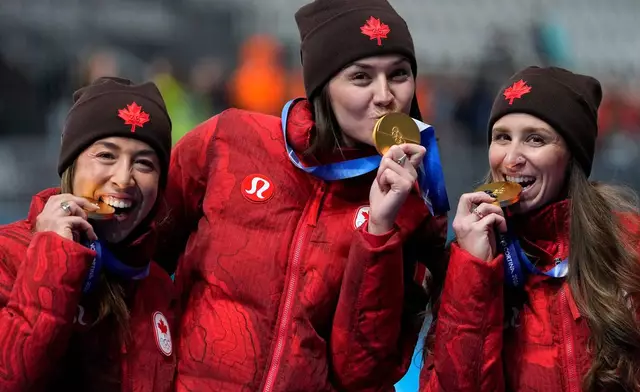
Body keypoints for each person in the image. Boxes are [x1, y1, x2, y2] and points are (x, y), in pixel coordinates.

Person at [155, 0, 449, 390]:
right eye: (361, 77)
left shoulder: (412, 204)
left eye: (399, 75)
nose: (385, 96)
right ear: (322, 86)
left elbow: (364, 373)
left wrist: (379, 231)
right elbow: (141, 254)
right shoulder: (229, 140)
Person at [420, 66, 640, 391]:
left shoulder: (631, 244)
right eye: (502, 137)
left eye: (535, 139)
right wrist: (474, 272)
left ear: (571, 155)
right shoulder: (468, 260)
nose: (511, 158)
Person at [0, 77, 176, 391]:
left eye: (144, 163)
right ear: (72, 166)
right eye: (106, 155)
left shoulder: (158, 285)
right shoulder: (7, 254)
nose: (124, 179)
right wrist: (53, 257)